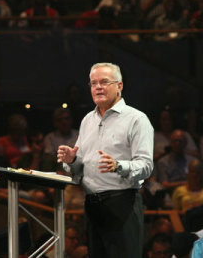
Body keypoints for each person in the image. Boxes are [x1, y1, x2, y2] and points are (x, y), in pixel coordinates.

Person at [57, 62, 154, 258]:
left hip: (122, 205)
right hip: (92, 206)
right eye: (93, 83)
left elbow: (146, 166)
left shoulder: (136, 119)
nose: (98, 87)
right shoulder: (87, 120)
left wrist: (119, 166)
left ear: (119, 86)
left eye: (104, 82)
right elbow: (80, 166)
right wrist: (72, 159)